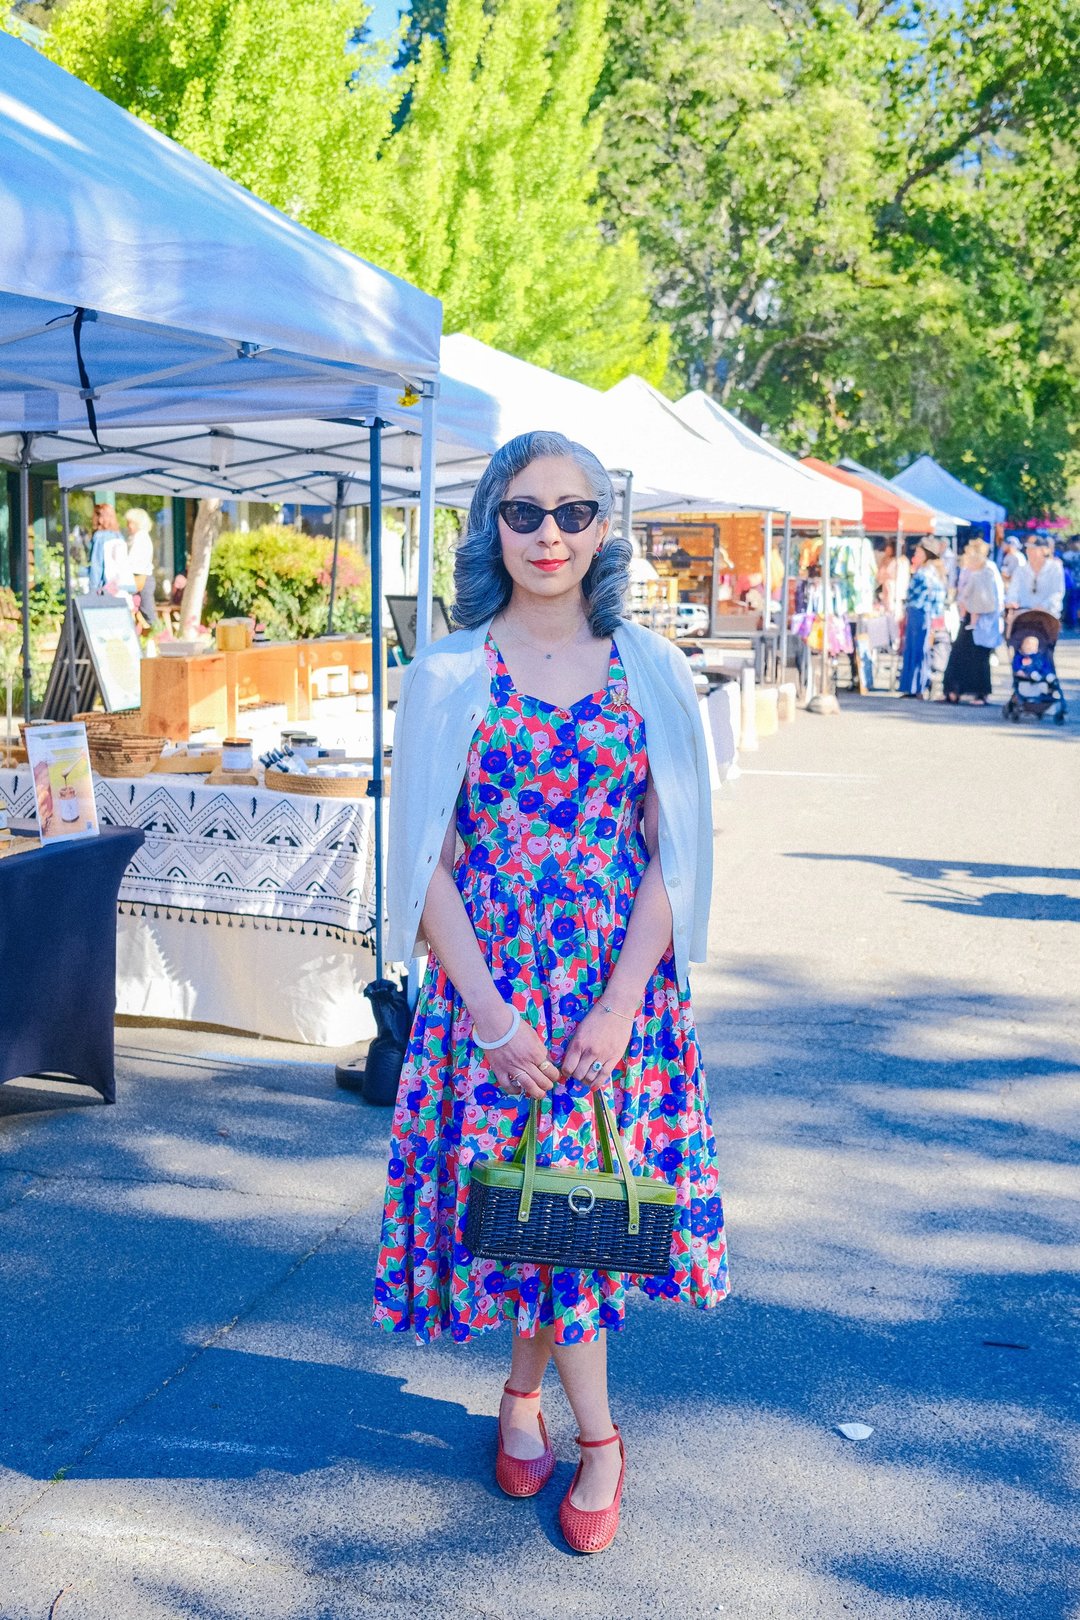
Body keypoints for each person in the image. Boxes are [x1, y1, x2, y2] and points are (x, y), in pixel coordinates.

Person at [375, 430, 728, 1555]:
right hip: (492, 992)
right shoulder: (447, 673)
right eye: (524, 514)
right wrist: (487, 1013)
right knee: (538, 1210)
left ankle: (583, 1430)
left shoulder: (654, 670)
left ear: (604, 527)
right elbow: (420, 859)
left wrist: (623, 1002)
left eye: (574, 514)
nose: (549, 537)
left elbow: (680, 852)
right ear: (491, 524)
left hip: (611, 994)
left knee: (567, 1218)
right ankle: (564, 1421)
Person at [942, 539, 1003, 705]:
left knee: (978, 658)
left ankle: (979, 693)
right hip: (969, 618)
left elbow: (988, 600)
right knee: (961, 655)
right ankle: (955, 690)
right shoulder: (971, 570)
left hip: (980, 621)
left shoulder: (987, 571)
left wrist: (970, 607)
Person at [898, 537, 946, 698]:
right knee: (917, 649)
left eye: (918, 552)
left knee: (916, 650)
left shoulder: (925, 573)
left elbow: (914, 595)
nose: (915, 556)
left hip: (919, 613)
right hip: (922, 613)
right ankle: (916, 685)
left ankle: (915, 686)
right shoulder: (932, 572)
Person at [1006, 535, 1066, 628]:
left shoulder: (1055, 568)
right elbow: (1012, 593)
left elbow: (1058, 592)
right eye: (1027, 548)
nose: (1029, 551)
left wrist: (1042, 606)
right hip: (1024, 617)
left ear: (1043, 550)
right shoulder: (1020, 570)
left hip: (1047, 616)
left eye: (1033, 548)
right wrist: (1011, 603)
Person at [88, 503, 135, 598]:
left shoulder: (99, 537)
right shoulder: (119, 536)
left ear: (99, 518)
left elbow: (96, 566)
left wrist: (93, 591)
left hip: (106, 588)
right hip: (121, 586)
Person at [124, 507, 158, 629]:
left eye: (130, 523)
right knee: (145, 610)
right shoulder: (136, 538)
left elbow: (135, 563)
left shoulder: (140, 538)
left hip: (141, 578)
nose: (128, 526)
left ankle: (157, 635)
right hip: (140, 578)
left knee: (147, 611)